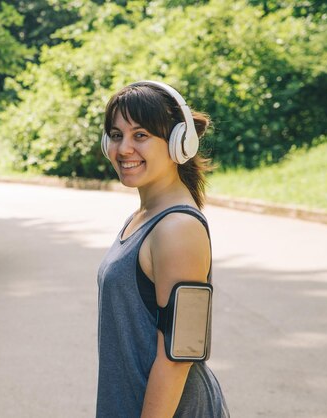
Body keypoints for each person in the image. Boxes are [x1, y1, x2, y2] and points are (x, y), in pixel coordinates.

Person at [96, 81, 230, 417]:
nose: (124, 148)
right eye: (115, 134)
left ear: (177, 143)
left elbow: (179, 354)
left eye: (140, 135)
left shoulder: (178, 229)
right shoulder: (143, 217)